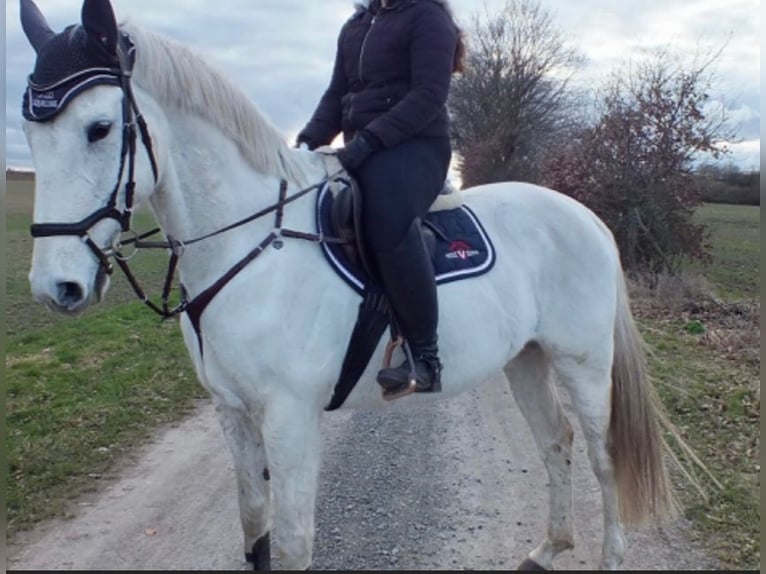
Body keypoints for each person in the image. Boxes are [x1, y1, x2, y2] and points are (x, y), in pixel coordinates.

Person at [296, 0, 465, 396]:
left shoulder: (429, 16)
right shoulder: (356, 24)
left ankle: (425, 358)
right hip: (365, 147)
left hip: (417, 146)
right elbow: (337, 93)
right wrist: (307, 142)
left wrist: (370, 140)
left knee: (385, 218)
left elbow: (429, 94)